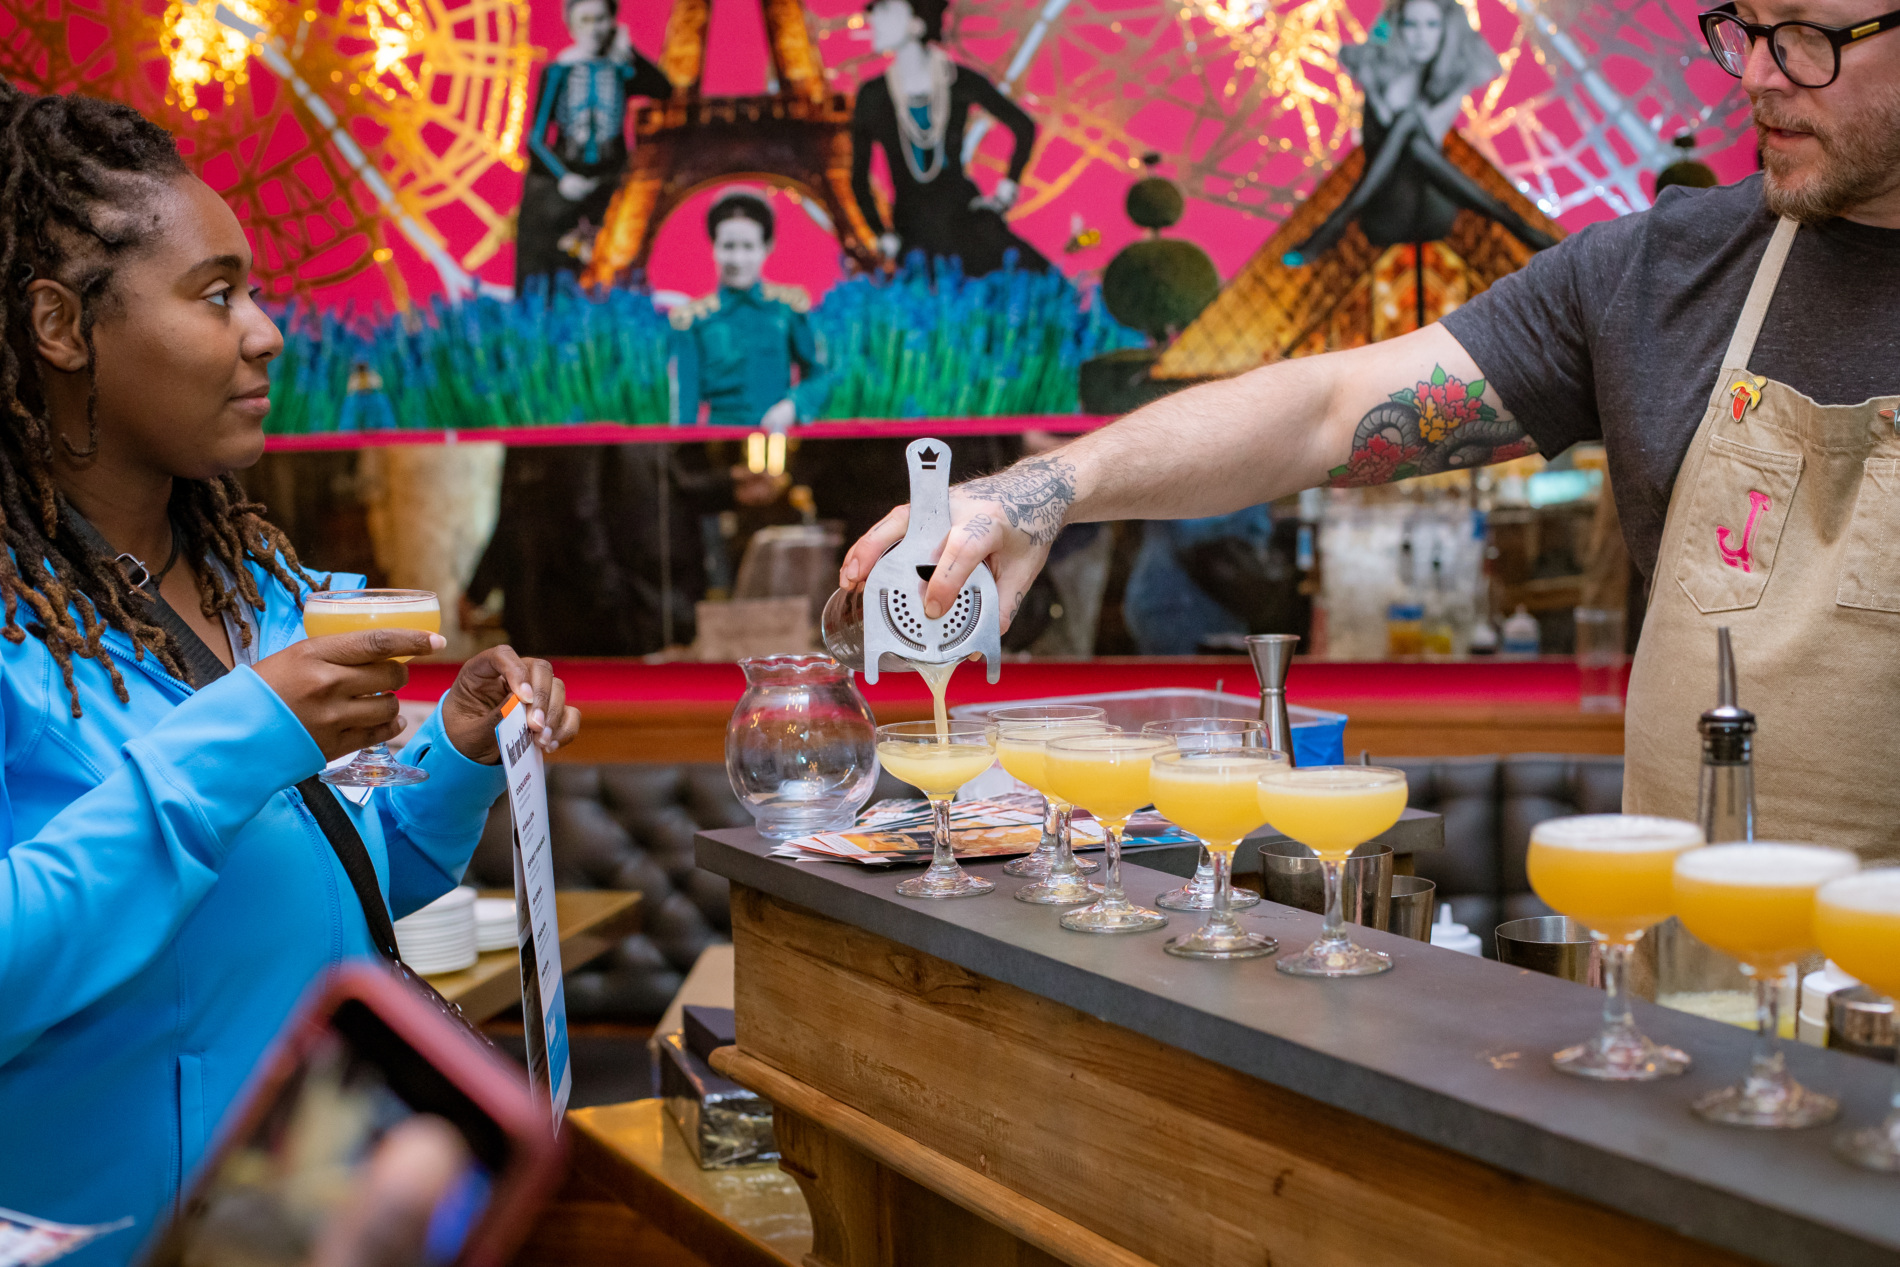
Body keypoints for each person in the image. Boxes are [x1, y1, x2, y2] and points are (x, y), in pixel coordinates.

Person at [841, 0, 1900, 863]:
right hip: (1697, 995)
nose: (1757, 74)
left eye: (1806, 36)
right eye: (1746, 29)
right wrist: (1049, 488)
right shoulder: (1662, 274)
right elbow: (1324, 411)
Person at [0, 85, 581, 1259]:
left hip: (318, 1222)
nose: (265, 330)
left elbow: (350, 883)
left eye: (254, 291)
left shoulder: (258, 590)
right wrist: (247, 730)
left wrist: (455, 754)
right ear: (62, 328)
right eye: (216, 295)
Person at [1283, 0, 1557, 264]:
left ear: (1446, 30)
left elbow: (1430, 120)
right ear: (1398, 29)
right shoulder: (1380, 65)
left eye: (1431, 24)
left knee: (1411, 128)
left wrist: (1456, 85)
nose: (1420, 36)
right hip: (1386, 208)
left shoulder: (1450, 79)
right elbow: (1366, 57)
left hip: (1431, 208)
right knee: (1410, 126)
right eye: (1410, 25)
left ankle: (1337, 222)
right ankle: (1512, 222)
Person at [850, 0, 1051, 276]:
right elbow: (857, 178)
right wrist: (879, 232)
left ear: (916, 24)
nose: (872, 19)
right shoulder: (873, 97)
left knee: (1041, 289)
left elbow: (1024, 127)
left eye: (885, 10)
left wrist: (1006, 193)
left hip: (965, 225)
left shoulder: (957, 81)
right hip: (914, 236)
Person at [515, 0, 670, 288]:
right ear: (572, 26)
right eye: (585, 21)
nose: (593, 29)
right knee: (547, 259)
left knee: (619, 254)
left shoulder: (620, 69)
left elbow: (663, 89)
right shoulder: (559, 71)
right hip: (565, 180)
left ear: (612, 22)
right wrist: (564, 178)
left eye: (600, 19)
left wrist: (628, 52)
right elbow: (536, 139)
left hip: (609, 180)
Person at [669, 192, 831, 430]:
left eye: (748, 247)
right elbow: (686, 409)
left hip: (778, 441)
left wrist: (793, 406)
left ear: (766, 247)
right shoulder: (694, 320)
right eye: (728, 246)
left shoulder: (787, 310)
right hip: (718, 444)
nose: (737, 259)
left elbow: (820, 377)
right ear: (713, 247)